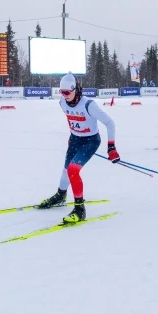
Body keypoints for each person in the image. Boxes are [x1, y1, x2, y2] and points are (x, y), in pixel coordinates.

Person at [38, 72, 119, 223]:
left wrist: (111, 147)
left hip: (90, 141)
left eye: (67, 92)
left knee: (73, 170)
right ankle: (61, 195)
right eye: (61, 92)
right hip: (75, 140)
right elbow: (74, 120)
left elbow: (110, 123)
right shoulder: (62, 103)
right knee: (66, 169)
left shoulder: (89, 105)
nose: (64, 95)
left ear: (76, 89)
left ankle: (80, 209)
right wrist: (73, 135)